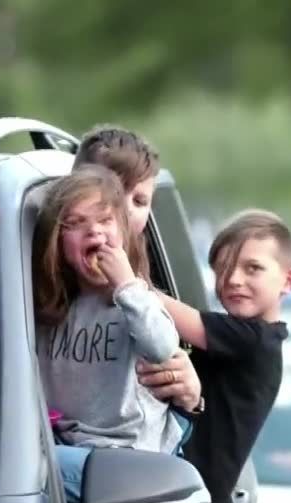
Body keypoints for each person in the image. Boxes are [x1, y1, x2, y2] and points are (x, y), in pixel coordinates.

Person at [32, 165, 190, 503]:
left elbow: (161, 346)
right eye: (76, 224)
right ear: (56, 241)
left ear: (123, 232)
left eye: (104, 221)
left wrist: (126, 285)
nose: (94, 233)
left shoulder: (135, 302)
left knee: (27, 469)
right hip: (70, 452)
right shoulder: (51, 310)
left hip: (124, 464)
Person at [157, 209, 291, 503]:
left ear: (288, 280)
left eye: (253, 268)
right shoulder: (237, 337)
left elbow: (186, 320)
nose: (234, 279)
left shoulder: (257, 341)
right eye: (223, 268)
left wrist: (129, 284)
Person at [73, 124, 203, 415]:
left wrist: (192, 393)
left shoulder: (144, 284)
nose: (128, 209)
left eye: (140, 201)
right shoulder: (31, 269)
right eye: (116, 193)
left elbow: (168, 351)